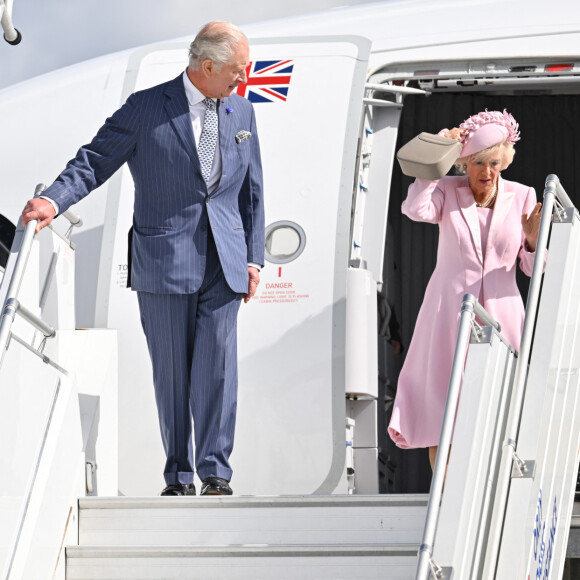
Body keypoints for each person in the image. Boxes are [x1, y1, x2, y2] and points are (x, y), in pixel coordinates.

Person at [21, 21, 265, 496]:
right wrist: (54, 200)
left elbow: (252, 191)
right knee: (172, 371)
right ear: (208, 65)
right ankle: (178, 474)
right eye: (237, 71)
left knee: (218, 367)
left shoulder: (241, 112)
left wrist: (253, 258)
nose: (244, 80)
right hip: (165, 257)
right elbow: (94, 160)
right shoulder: (146, 108)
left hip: (226, 259)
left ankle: (216, 471)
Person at [387, 109, 541, 470]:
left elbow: (534, 269)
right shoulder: (445, 190)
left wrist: (533, 242)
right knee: (444, 409)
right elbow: (414, 208)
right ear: (464, 163)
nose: (489, 172)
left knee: (500, 409)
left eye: (496, 164)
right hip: (448, 313)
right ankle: (443, 500)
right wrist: (440, 148)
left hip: (504, 316)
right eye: (481, 163)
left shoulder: (522, 196)